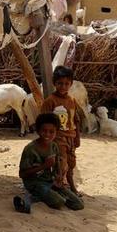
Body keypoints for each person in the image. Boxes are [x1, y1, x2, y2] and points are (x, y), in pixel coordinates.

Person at [13, 113, 84, 213]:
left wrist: (59, 178)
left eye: (51, 132)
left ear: (56, 132)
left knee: (78, 204)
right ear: (38, 131)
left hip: (50, 181)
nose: (47, 135)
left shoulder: (54, 146)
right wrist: (43, 166)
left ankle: (47, 195)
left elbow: (57, 167)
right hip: (34, 183)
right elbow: (22, 174)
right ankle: (33, 196)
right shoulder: (30, 149)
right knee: (58, 202)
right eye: (44, 131)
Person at [40, 65, 82, 195]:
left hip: (71, 136)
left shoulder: (72, 100)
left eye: (66, 84)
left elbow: (75, 120)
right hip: (57, 138)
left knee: (71, 163)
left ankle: (71, 186)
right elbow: (43, 122)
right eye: (60, 83)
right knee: (61, 164)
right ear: (54, 83)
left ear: (71, 84)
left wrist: (77, 137)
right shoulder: (50, 101)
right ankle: (59, 187)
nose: (63, 87)